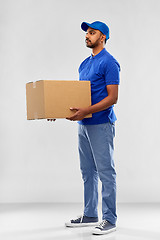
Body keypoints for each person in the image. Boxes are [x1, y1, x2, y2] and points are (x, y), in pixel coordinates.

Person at [48, 21, 120, 235]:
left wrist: (86, 109)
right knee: (87, 171)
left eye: (92, 32)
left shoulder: (109, 62)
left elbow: (113, 97)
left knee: (106, 172)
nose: (87, 36)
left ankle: (110, 219)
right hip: (83, 124)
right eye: (86, 33)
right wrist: (57, 110)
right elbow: (79, 96)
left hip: (101, 124)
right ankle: (90, 214)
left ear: (103, 37)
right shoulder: (83, 64)